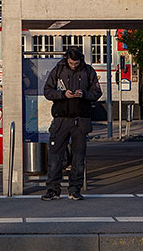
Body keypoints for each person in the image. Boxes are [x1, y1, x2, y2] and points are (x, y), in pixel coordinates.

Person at [41, 47, 102, 201]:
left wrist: (84, 94)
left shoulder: (88, 71)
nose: (73, 65)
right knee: (55, 155)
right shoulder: (58, 70)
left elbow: (97, 92)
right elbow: (47, 91)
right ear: (66, 59)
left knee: (78, 157)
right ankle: (53, 190)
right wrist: (63, 94)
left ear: (80, 60)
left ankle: (75, 190)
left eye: (76, 63)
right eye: (71, 63)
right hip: (61, 118)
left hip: (80, 119)